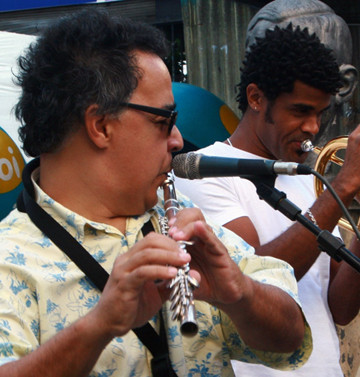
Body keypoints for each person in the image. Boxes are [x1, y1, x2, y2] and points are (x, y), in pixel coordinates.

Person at [0, 9, 313, 377]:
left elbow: (291, 338)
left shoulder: (181, 218)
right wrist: (99, 325)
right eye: (165, 121)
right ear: (100, 125)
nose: (178, 141)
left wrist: (241, 294)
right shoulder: (10, 260)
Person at [175, 24, 360, 376]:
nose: (313, 126)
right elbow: (252, 282)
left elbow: (341, 309)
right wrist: (340, 189)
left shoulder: (304, 182)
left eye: (320, 113)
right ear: (256, 98)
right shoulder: (203, 174)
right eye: (300, 111)